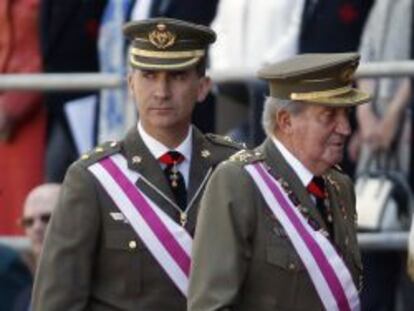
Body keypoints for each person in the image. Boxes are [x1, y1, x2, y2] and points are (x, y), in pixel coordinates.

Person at [32, 17, 243, 311]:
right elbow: (57, 301)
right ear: (131, 83)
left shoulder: (235, 169)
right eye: (149, 75)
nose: (161, 91)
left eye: (177, 76)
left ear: (203, 87)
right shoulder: (93, 179)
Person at [188, 53, 371, 310]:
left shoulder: (340, 185)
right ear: (286, 121)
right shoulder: (239, 182)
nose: (345, 128)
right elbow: (211, 304)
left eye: (346, 114)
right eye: (329, 116)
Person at [0, 0, 46, 235]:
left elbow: (55, 47)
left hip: (38, 113)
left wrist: (12, 106)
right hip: (7, 120)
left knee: (30, 205)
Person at [13, 183, 61, 311]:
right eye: (28, 222)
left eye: (47, 218)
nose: (37, 228)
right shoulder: (23, 298)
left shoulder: (98, 289)